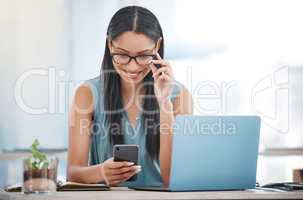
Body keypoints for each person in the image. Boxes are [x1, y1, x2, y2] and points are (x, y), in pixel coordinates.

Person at [67, 5, 193, 187]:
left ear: (157, 46)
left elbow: (172, 178)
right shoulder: (87, 94)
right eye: (122, 55)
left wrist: (165, 104)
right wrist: (100, 171)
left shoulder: (180, 95)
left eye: (143, 56)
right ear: (110, 45)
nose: (133, 67)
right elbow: (73, 172)